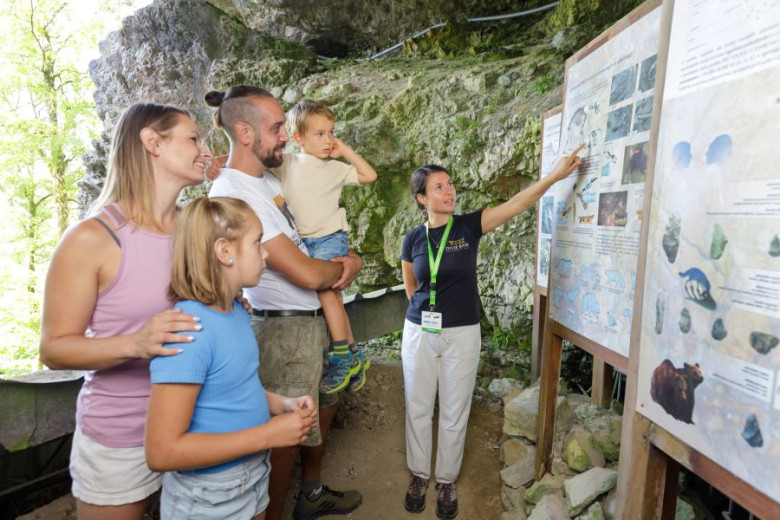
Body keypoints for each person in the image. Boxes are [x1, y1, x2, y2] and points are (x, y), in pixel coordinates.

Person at [38, 103, 209, 519]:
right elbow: (55, 349)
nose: (205, 151)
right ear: (152, 142)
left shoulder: (196, 229)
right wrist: (136, 343)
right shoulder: (91, 239)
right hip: (121, 435)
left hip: (198, 423)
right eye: (193, 139)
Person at [400, 144, 585, 519]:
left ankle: (446, 480)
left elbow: (517, 203)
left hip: (463, 333)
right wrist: (427, 314)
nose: (449, 191)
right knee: (418, 407)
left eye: (450, 184)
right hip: (419, 331)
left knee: (455, 409)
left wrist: (553, 176)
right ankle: (419, 474)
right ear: (422, 198)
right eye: (439, 187)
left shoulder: (469, 226)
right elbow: (411, 287)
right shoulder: (413, 239)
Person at [205, 85, 363, 520]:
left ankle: (310, 494)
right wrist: (349, 265)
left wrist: (345, 262)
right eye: (276, 127)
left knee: (321, 405)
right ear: (245, 132)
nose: (283, 136)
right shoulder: (235, 191)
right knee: (284, 435)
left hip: (311, 320)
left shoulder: (268, 179)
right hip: (285, 328)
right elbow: (309, 273)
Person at [145, 197, 318, 519]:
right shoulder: (189, 331)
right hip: (209, 494)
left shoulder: (237, 313)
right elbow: (162, 451)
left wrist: (282, 404)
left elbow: (233, 387)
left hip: (252, 473)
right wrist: (269, 434)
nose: (265, 252)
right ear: (225, 252)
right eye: (256, 242)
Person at [275, 99, 378, 393]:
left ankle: (342, 356)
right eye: (319, 134)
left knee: (327, 293)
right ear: (298, 138)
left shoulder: (335, 168)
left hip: (330, 237)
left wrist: (343, 151)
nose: (327, 140)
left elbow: (369, 175)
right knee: (331, 298)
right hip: (303, 243)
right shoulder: (288, 163)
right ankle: (355, 353)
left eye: (331, 132)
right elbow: (254, 163)